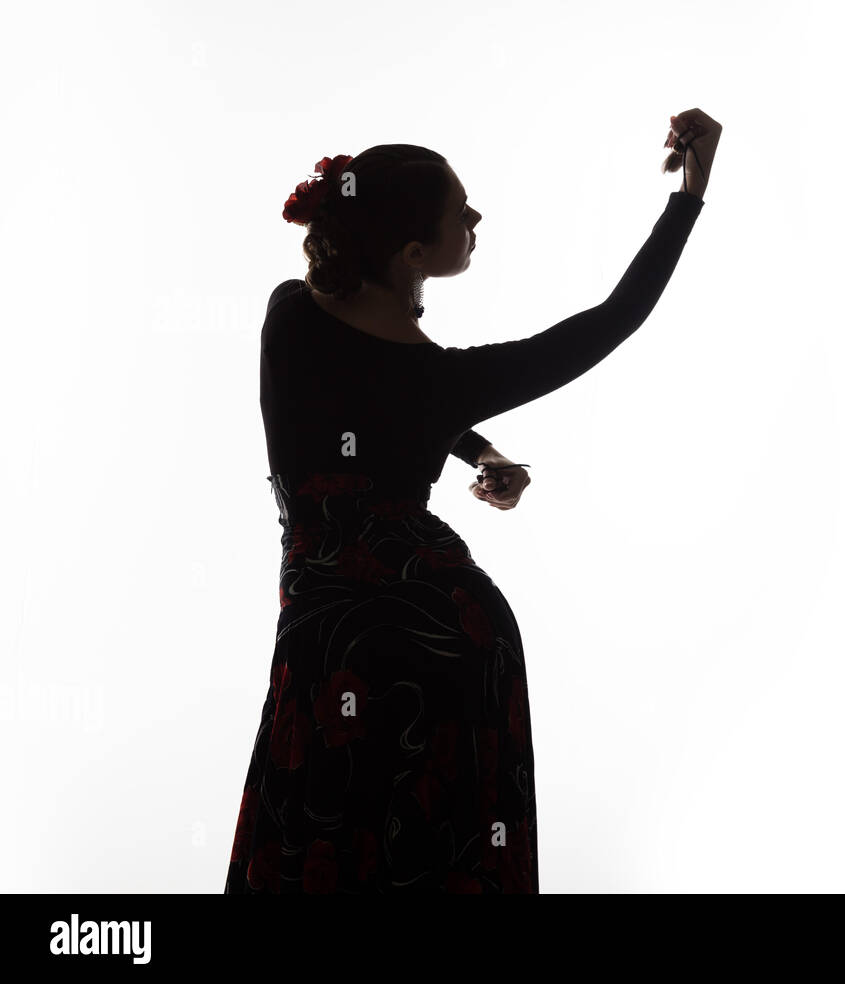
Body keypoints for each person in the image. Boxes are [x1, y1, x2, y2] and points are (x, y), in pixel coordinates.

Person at [224, 109, 721, 893]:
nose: (477, 217)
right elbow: (610, 322)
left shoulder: (289, 319)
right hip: (453, 645)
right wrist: (688, 195)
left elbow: (361, 402)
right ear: (415, 252)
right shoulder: (444, 381)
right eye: (462, 211)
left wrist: (480, 451)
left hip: (330, 640)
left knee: (322, 839)